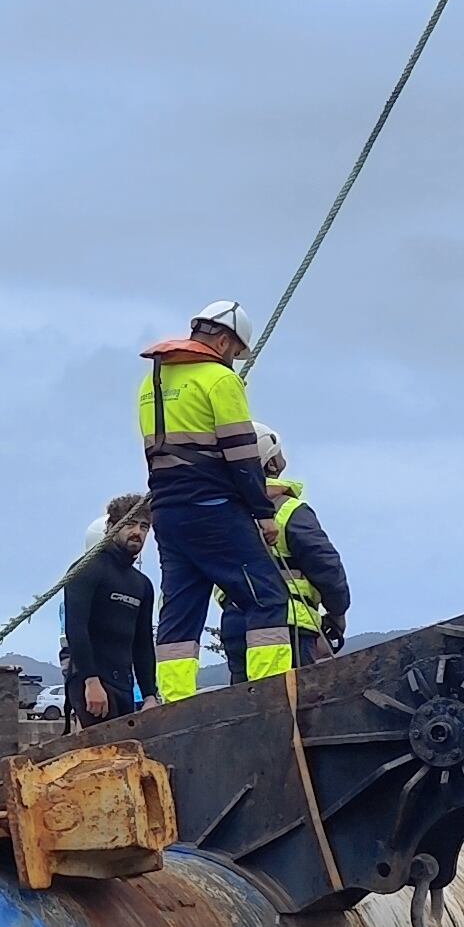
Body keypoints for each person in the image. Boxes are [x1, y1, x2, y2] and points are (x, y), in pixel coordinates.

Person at [135, 295, 293, 697]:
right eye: (237, 354)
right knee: (268, 598)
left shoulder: (152, 383)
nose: (236, 361)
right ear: (225, 343)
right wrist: (264, 514)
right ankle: (269, 693)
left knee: (180, 612)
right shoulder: (221, 380)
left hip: (168, 513)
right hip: (214, 509)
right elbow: (242, 454)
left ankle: (176, 702)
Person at [57, 495, 159, 724]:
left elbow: (142, 642)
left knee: (128, 757)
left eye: (144, 527)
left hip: (124, 685)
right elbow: (76, 629)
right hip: (92, 683)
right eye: (130, 524)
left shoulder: (142, 585)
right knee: (102, 756)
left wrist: (150, 695)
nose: (138, 532)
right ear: (112, 527)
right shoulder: (88, 569)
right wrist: (90, 681)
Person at [257, 431, 350, 663]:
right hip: (290, 627)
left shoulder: (223, 517)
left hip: (236, 627)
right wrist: (337, 612)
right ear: (272, 463)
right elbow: (326, 566)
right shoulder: (288, 510)